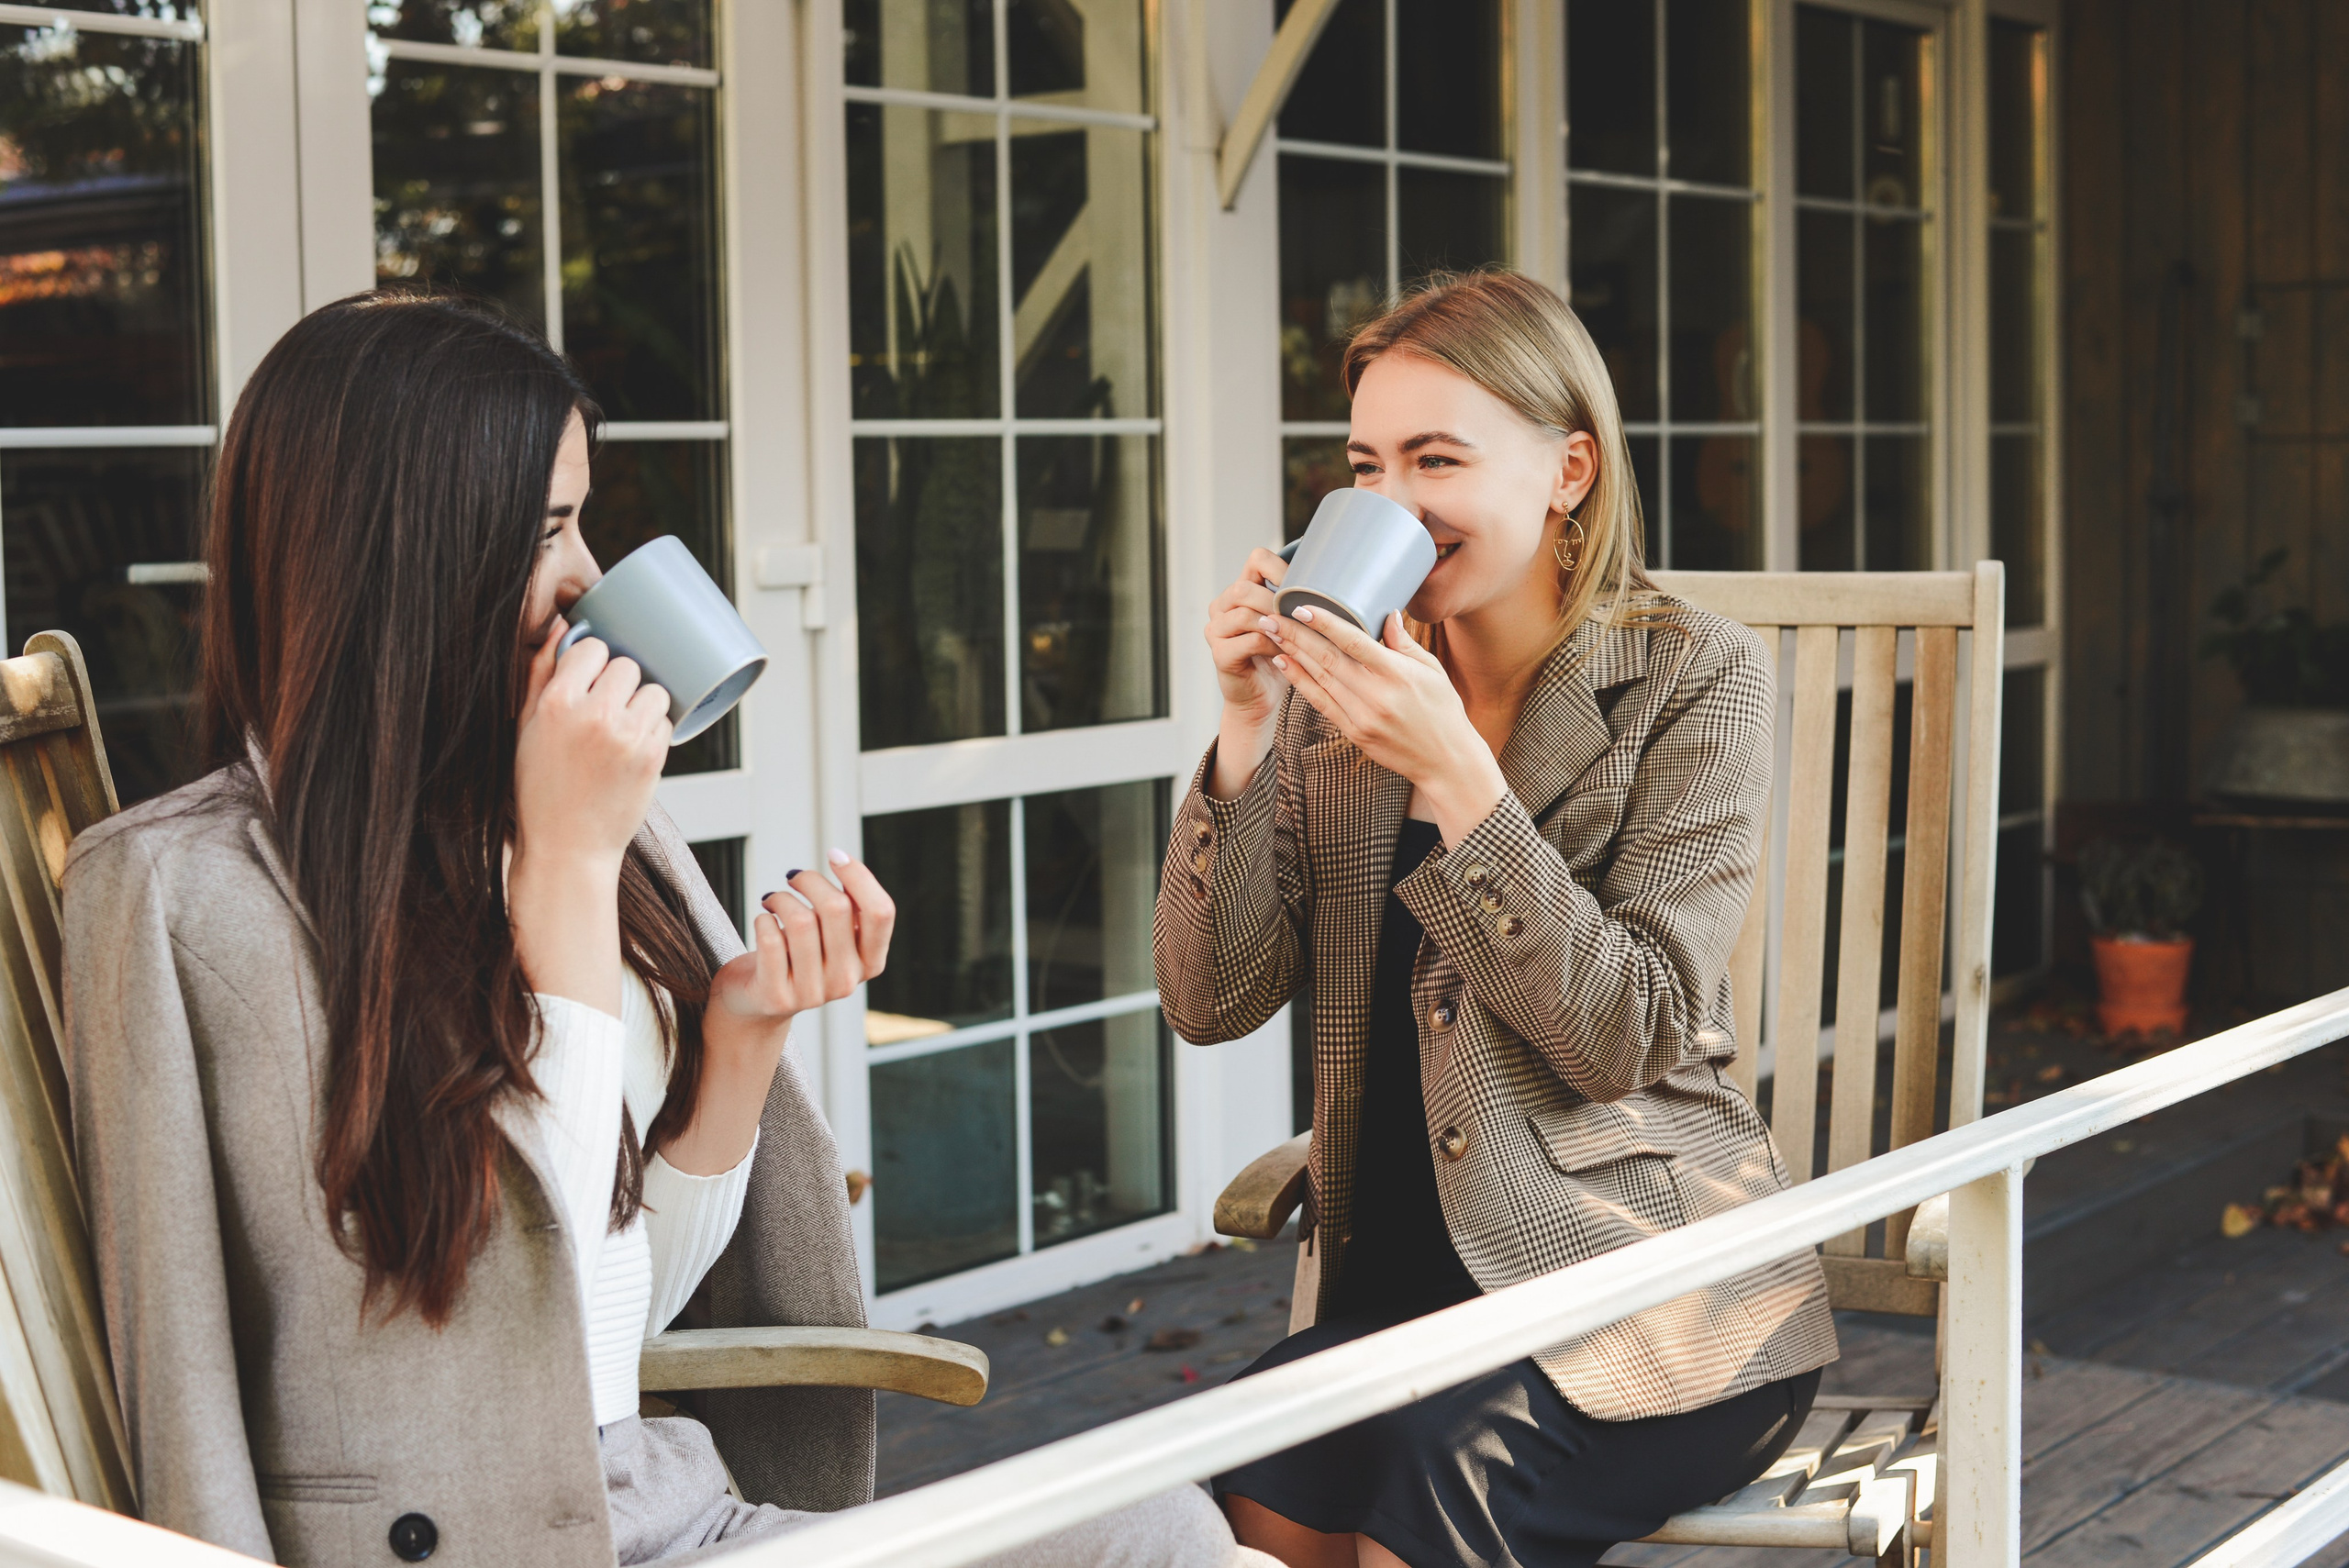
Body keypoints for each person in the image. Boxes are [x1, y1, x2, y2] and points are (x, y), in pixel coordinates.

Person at [61, 291, 1259, 1568]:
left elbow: (614, 1300)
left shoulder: (561, 812)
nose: (585, 578)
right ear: (405, 551)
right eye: (548, 529)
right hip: (464, 1544)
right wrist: (568, 866)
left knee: (1174, 1533)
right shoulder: (180, 892)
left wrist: (739, 1034)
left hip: (658, 1499)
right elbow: (180, 1381)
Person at [1154, 271, 1838, 1568]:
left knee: (1430, 1488)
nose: (1390, 500)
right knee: (1218, 1490)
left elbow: (1632, 1033)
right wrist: (1244, 731)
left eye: (1436, 458)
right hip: (1407, 1309)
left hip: (1654, 1304)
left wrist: (1456, 777)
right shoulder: (1342, 680)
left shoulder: (1697, 679)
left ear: (1568, 468)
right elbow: (1210, 998)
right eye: (1366, 465)